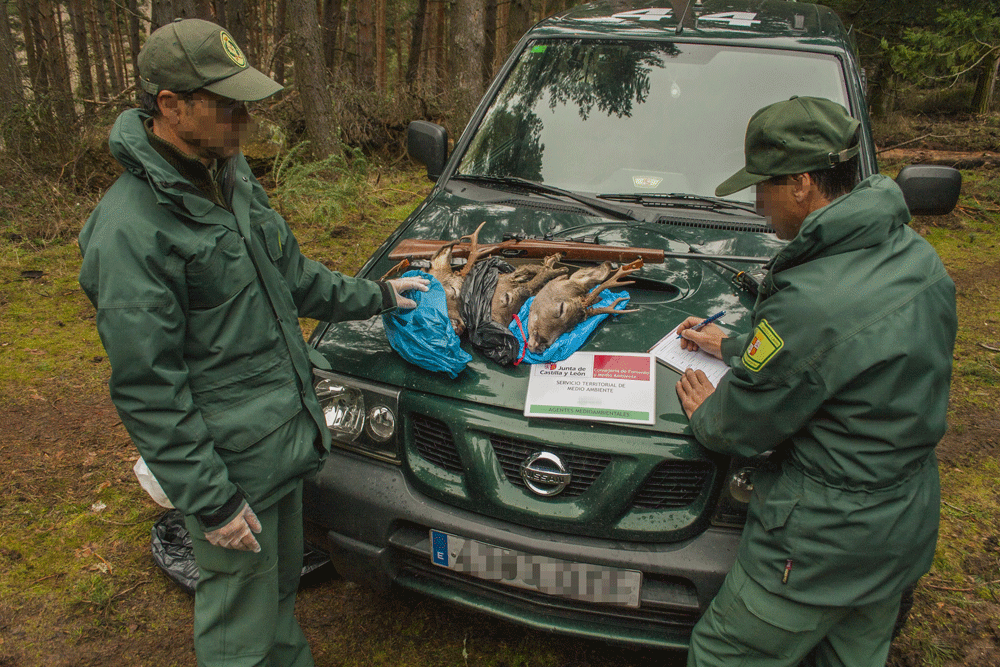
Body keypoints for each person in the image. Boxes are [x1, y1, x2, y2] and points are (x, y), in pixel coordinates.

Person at [77, 19, 428, 667]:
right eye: (226, 103)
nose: (244, 117)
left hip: (283, 439)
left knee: (279, 593)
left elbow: (291, 276)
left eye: (246, 102)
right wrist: (212, 500)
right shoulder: (131, 230)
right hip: (228, 467)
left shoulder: (229, 177)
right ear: (171, 106)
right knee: (240, 626)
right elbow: (149, 388)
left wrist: (375, 297)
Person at [674, 96, 956, 667]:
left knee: (723, 654)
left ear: (801, 183)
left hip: (822, 540)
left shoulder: (812, 298)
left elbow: (741, 427)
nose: (757, 202)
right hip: (900, 523)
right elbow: (839, 355)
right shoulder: (919, 260)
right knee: (852, 653)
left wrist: (708, 410)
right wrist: (729, 343)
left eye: (763, 185)